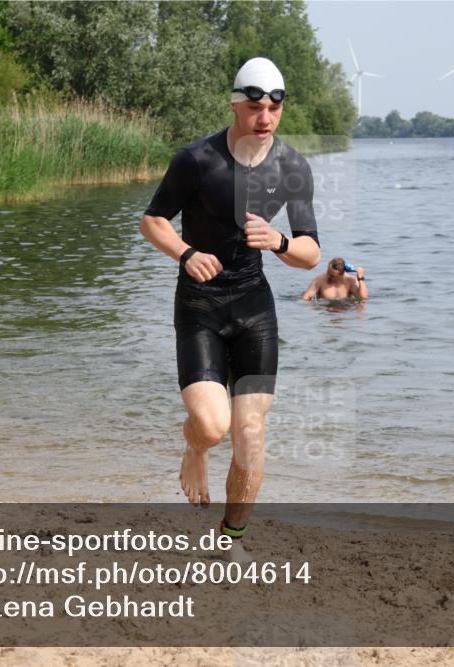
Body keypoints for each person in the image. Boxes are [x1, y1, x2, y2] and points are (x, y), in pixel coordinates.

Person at [139, 57, 320, 546]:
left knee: (251, 434)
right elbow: (152, 220)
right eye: (255, 106)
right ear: (236, 104)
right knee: (212, 426)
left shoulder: (293, 168)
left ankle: (231, 538)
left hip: (254, 308)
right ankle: (194, 450)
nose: (265, 118)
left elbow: (311, 253)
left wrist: (280, 242)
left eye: (274, 109)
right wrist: (185, 252)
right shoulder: (197, 160)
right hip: (200, 305)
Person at [302, 257, 367, 301]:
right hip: (326, 311)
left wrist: (360, 278)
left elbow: (362, 298)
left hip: (344, 311)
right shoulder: (320, 280)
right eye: (328, 272)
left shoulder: (350, 281)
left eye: (332, 275)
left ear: (342, 274)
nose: (328, 276)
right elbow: (305, 298)